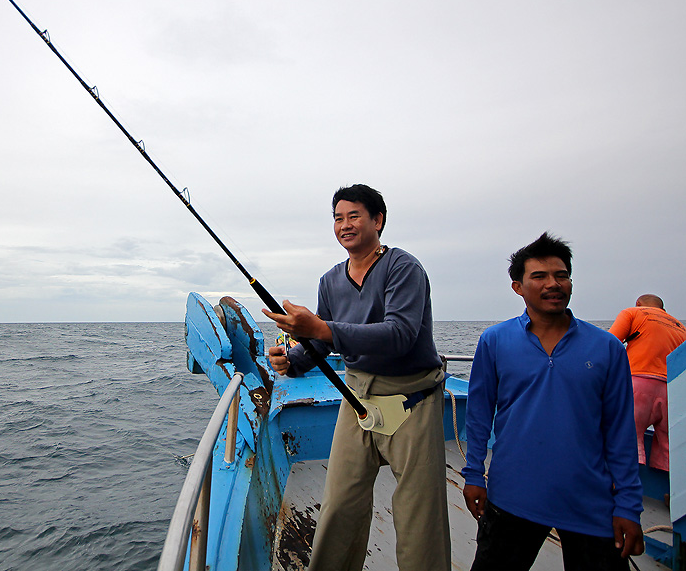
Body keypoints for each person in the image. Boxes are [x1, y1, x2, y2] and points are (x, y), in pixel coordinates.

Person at [263, 184, 450, 571]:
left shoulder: (404, 268)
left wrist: (320, 328)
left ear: (378, 221)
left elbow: (400, 334)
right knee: (339, 505)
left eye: (353, 216)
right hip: (357, 396)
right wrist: (293, 361)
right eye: (337, 218)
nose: (344, 225)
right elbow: (321, 343)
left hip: (411, 399)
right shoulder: (330, 281)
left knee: (419, 514)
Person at [461, 232, 644, 570]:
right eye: (539, 276)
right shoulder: (495, 341)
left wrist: (628, 506)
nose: (553, 284)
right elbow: (479, 413)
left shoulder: (606, 348)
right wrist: (473, 474)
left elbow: (620, 430)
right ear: (518, 287)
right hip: (511, 497)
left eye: (561, 275)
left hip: (590, 502)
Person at [609, 294, 686, 472]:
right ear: (663, 310)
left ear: (638, 304)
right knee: (668, 444)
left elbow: (610, 343)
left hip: (638, 385)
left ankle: (619, 486)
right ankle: (669, 494)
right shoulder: (680, 327)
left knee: (629, 436)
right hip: (671, 391)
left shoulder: (633, 313)